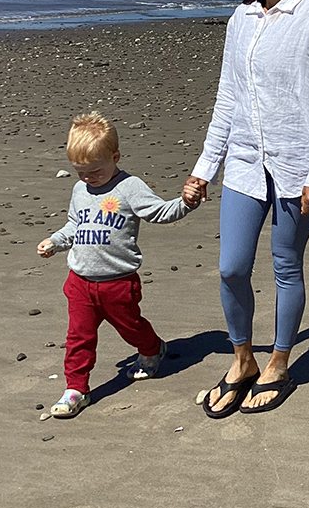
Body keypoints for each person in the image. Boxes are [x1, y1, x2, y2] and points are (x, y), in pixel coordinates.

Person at [183, 0, 309, 417]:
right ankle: (242, 359)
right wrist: (203, 168)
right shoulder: (241, 19)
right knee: (231, 267)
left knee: (284, 266)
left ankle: (278, 363)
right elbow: (227, 99)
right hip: (247, 164)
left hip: (297, 165)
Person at [38, 112, 198, 419]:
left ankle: (152, 349)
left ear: (115, 157)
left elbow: (159, 213)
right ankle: (76, 389)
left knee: (131, 327)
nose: (88, 179)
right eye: (81, 172)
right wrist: (55, 241)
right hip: (80, 282)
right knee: (78, 338)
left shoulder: (129, 187)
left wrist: (186, 202)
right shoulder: (80, 190)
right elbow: (75, 225)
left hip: (118, 282)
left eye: (95, 171)